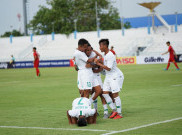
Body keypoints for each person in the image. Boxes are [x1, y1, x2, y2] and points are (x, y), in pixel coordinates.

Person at [94, 39, 124, 119]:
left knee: (115, 95)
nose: (100, 48)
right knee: (105, 93)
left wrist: (98, 63)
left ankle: (119, 114)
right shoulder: (105, 55)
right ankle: (114, 110)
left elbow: (109, 68)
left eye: (100, 46)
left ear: (104, 46)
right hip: (108, 76)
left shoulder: (110, 55)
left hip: (114, 76)